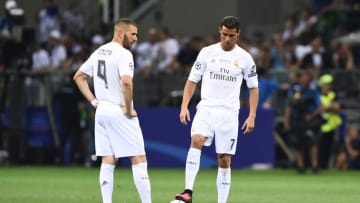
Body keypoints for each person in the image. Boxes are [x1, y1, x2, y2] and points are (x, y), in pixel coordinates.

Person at [174, 16, 259, 203]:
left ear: (238, 34)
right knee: (196, 139)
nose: (227, 39)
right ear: (219, 31)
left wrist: (252, 115)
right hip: (206, 108)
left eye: (231, 36)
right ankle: (187, 191)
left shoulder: (245, 58)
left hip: (229, 113)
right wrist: (184, 106)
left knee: (224, 159)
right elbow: (192, 80)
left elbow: (253, 87)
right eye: (224, 35)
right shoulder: (206, 52)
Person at [73, 18, 152, 203]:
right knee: (139, 158)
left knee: (108, 160)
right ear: (120, 33)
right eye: (133, 34)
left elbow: (79, 76)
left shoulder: (100, 51)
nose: (135, 38)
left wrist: (94, 102)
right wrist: (128, 107)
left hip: (101, 111)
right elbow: (126, 82)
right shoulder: (124, 54)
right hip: (118, 110)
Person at [284, 70, 323, 174]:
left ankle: (314, 165)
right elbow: (288, 106)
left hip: (309, 121)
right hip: (296, 119)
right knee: (297, 143)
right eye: (301, 76)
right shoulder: (293, 89)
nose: (303, 78)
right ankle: (300, 166)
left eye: (305, 76)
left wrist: (311, 115)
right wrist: (287, 122)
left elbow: (320, 107)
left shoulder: (313, 90)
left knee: (312, 142)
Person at [317, 74, 342, 169]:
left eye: (329, 84)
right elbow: (318, 109)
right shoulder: (317, 95)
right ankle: (319, 167)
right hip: (320, 126)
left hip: (332, 126)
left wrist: (326, 107)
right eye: (326, 83)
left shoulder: (333, 94)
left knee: (331, 149)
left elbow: (337, 108)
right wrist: (330, 106)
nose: (328, 86)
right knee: (319, 149)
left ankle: (328, 167)